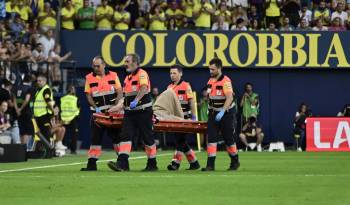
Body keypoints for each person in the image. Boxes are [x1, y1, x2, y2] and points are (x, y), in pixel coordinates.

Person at [107, 53, 158, 172]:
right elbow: (125, 98)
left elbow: (144, 88)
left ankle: (152, 163)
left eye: (127, 61)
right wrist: (117, 107)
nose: (125, 64)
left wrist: (136, 101)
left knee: (147, 138)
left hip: (143, 111)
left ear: (135, 63)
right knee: (125, 136)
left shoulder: (142, 74)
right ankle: (122, 163)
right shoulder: (127, 78)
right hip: (130, 113)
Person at [81, 56, 123, 171]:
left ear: (104, 65)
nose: (95, 68)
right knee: (95, 139)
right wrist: (95, 108)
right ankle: (91, 164)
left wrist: (116, 105)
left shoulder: (113, 75)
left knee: (117, 138)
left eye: (98, 66)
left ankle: (122, 162)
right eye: (94, 66)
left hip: (112, 114)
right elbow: (88, 95)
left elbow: (120, 92)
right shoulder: (89, 77)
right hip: (98, 115)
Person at [202, 58, 240, 171]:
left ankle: (235, 160)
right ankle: (210, 165)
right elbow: (209, 96)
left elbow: (230, 98)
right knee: (211, 138)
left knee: (228, 139)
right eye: (209, 69)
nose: (211, 71)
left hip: (226, 113)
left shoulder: (226, 81)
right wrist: (210, 108)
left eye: (213, 69)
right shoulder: (210, 81)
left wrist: (223, 111)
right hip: (213, 113)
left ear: (219, 68)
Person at [166, 64, 200, 171]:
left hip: (185, 118)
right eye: (171, 73)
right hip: (174, 119)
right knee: (181, 141)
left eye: (174, 73)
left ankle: (175, 163)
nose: (172, 75)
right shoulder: (169, 87)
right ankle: (194, 163)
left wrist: (193, 117)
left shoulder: (186, 86)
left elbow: (191, 101)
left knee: (180, 141)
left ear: (180, 74)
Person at [33, 75, 55, 157]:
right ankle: (44, 151)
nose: (38, 82)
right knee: (41, 134)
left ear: (45, 81)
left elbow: (48, 102)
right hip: (39, 115)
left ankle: (49, 152)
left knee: (46, 134)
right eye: (37, 80)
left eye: (40, 80)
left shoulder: (46, 89)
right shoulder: (39, 90)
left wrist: (52, 112)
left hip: (44, 115)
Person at [13, 74, 34, 144]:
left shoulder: (16, 87)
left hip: (18, 113)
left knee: (21, 131)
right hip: (26, 112)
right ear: (30, 80)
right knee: (26, 132)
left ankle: (21, 149)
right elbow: (27, 100)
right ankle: (24, 149)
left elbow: (14, 99)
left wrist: (17, 109)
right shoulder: (29, 88)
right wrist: (21, 109)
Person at [60, 85, 80, 154]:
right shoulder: (75, 99)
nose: (75, 90)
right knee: (74, 135)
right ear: (72, 90)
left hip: (63, 118)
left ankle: (62, 149)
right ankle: (73, 150)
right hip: (73, 118)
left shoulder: (62, 98)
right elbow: (79, 108)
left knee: (63, 134)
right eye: (73, 89)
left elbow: (60, 108)